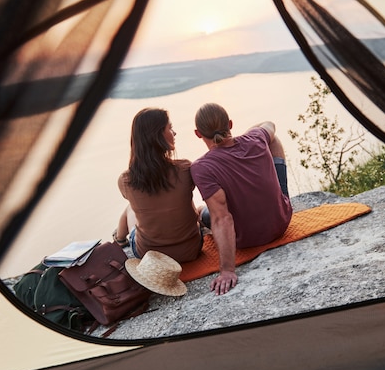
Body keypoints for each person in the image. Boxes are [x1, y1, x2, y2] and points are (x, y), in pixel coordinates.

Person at [191, 102, 293, 295]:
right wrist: (246, 138)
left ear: (198, 134)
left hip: (245, 239)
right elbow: (269, 124)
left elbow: (222, 218)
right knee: (273, 139)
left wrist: (227, 270)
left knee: (199, 212)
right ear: (230, 124)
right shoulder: (255, 138)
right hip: (281, 222)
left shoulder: (201, 167)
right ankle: (276, 201)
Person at [113, 108, 203, 263]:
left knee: (130, 209)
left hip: (150, 257)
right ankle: (119, 238)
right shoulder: (185, 169)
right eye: (170, 128)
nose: (174, 133)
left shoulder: (126, 180)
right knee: (197, 208)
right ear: (158, 135)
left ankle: (119, 240)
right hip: (191, 250)